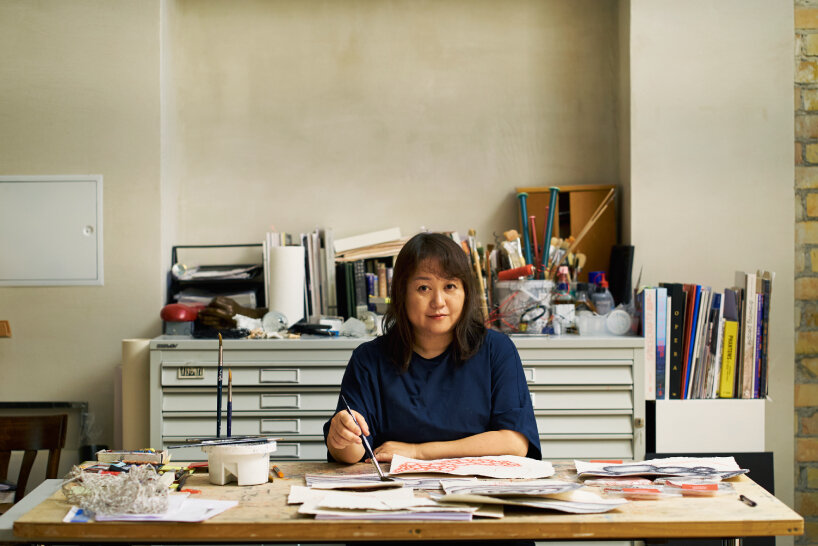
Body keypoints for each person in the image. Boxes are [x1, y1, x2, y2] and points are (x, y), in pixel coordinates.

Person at [324, 231, 541, 465]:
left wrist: (419, 453)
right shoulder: (369, 359)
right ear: (402, 293)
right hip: (396, 495)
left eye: (450, 286)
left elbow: (515, 443)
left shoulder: (496, 351)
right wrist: (342, 437)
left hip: (478, 493)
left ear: (466, 292)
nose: (438, 301)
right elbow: (353, 454)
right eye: (424, 288)